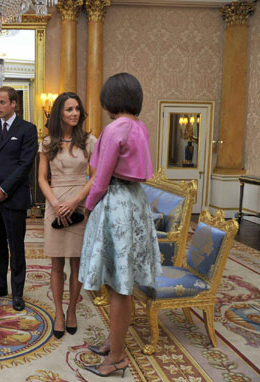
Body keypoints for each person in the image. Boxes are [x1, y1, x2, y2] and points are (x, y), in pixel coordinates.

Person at [79, 73, 162, 378]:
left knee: (117, 285)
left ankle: (116, 357)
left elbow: (100, 178)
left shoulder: (114, 128)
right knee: (122, 283)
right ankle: (114, 346)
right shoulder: (140, 127)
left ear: (110, 99)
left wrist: (87, 208)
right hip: (135, 201)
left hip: (115, 202)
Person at [37, 92, 97, 339]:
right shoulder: (48, 142)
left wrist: (74, 202)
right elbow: (42, 178)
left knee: (77, 262)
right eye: (69, 109)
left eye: (77, 109)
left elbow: (95, 177)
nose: (75, 114)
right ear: (59, 112)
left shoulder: (89, 141)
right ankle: (58, 313)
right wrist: (55, 202)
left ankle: (72, 310)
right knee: (56, 263)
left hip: (79, 204)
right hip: (55, 203)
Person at [0, 86, 38, 311]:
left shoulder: (28, 129)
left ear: (14, 104)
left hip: (14, 198)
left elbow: (25, 165)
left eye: (2, 102)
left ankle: (18, 293)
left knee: (16, 247)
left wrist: (4, 189)